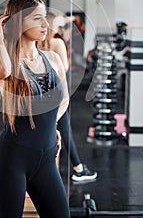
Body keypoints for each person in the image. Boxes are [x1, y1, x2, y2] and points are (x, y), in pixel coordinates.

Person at [0, 0, 71, 218]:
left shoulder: (52, 58)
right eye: (36, 19)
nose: (45, 24)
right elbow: (1, 71)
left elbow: (64, 100)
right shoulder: (6, 64)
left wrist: (52, 125)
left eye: (45, 18)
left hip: (46, 161)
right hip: (11, 161)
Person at [39, 12, 97, 182]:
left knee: (51, 129)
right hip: (57, 92)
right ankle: (78, 169)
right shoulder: (57, 42)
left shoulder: (35, 44)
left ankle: (73, 166)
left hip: (41, 92)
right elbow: (63, 67)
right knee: (64, 130)